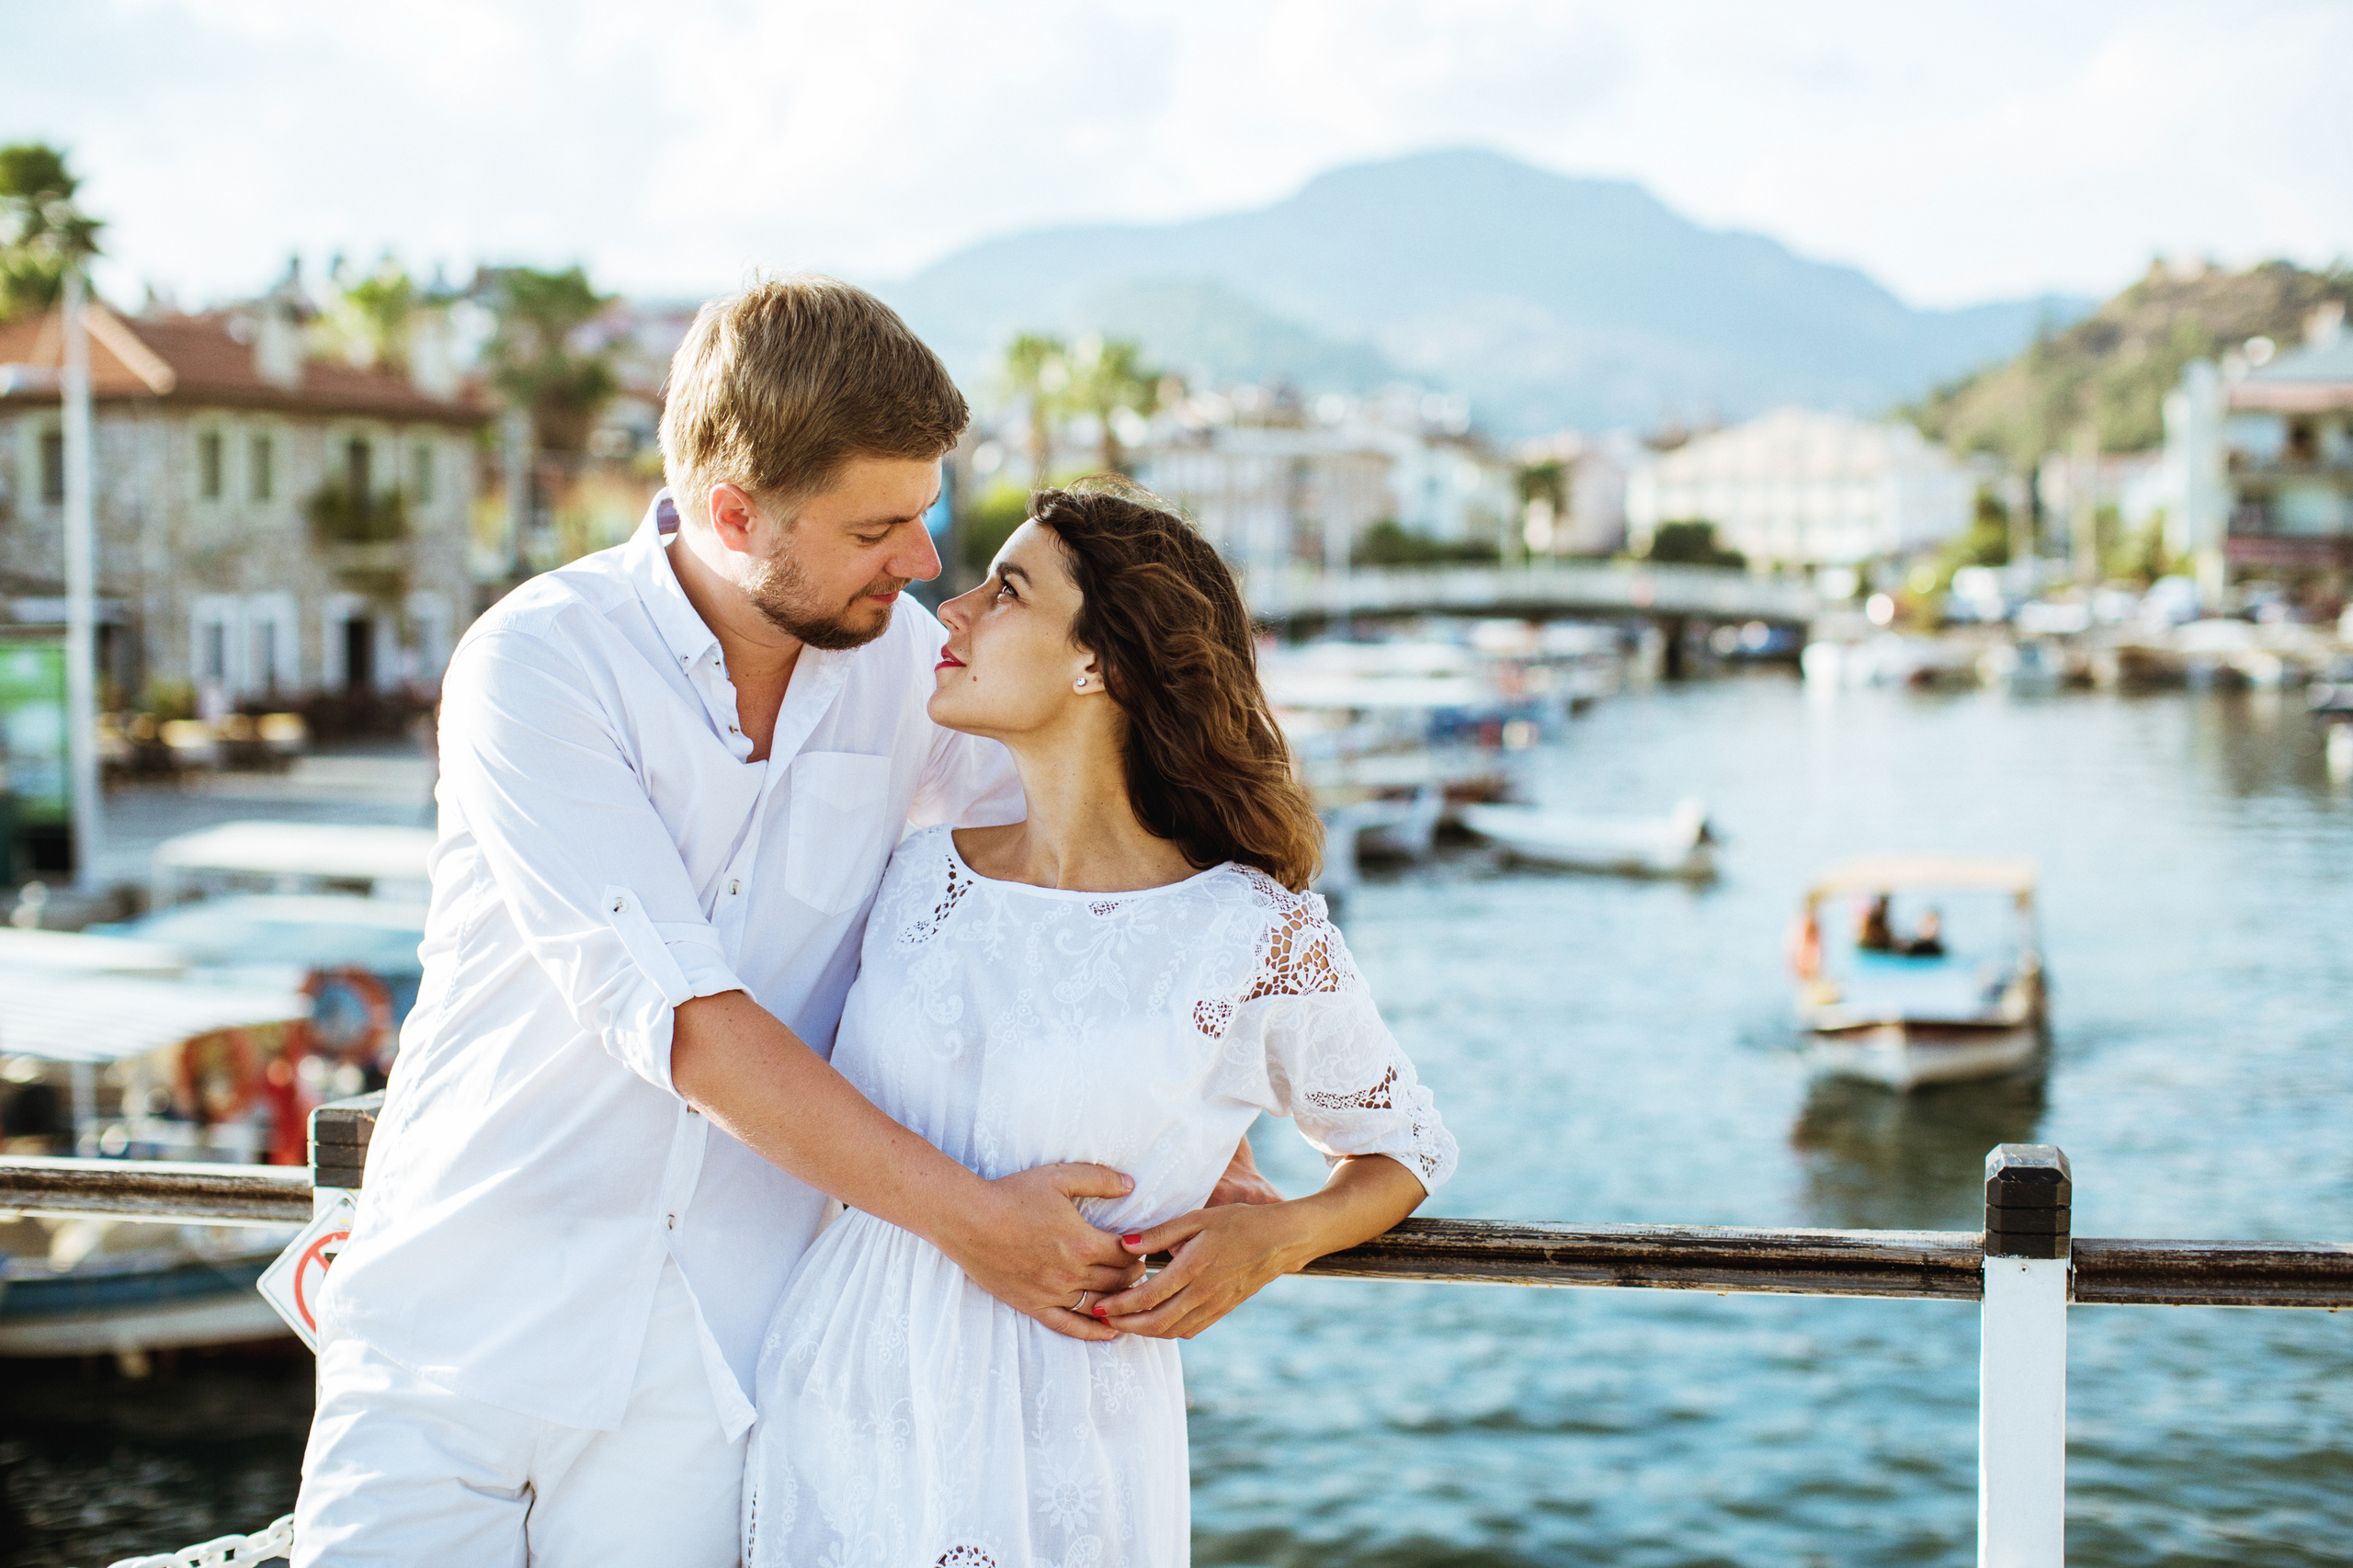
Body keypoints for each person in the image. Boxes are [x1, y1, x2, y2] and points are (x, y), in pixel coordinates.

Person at [293, 279, 1273, 1566]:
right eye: (883, 526)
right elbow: (688, 1025)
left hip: (719, 1373)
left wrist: (1223, 1140)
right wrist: (984, 1226)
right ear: (734, 513)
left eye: (926, 512)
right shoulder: (536, 666)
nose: (924, 561)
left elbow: (1099, 885)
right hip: (451, 1339)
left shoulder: (913, 679)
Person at [743, 482, 1458, 1566]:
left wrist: (1278, 1235)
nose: (957, 609)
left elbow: (1404, 1147)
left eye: (1009, 590)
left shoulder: (1251, 930)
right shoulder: (907, 874)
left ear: (1102, 664)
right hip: (840, 1390)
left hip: (1066, 1430)